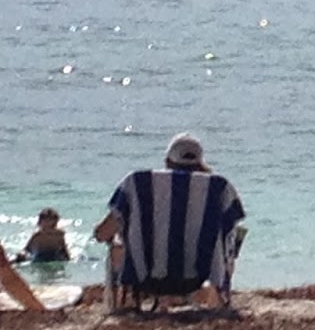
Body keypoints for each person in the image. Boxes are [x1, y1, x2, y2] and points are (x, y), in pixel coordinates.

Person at [94, 132, 246, 309]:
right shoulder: (219, 188)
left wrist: (109, 235)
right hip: (197, 277)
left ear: (167, 162)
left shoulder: (137, 184)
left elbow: (103, 233)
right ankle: (217, 304)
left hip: (146, 277)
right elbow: (231, 230)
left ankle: (121, 306)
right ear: (200, 163)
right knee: (231, 241)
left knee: (117, 245)